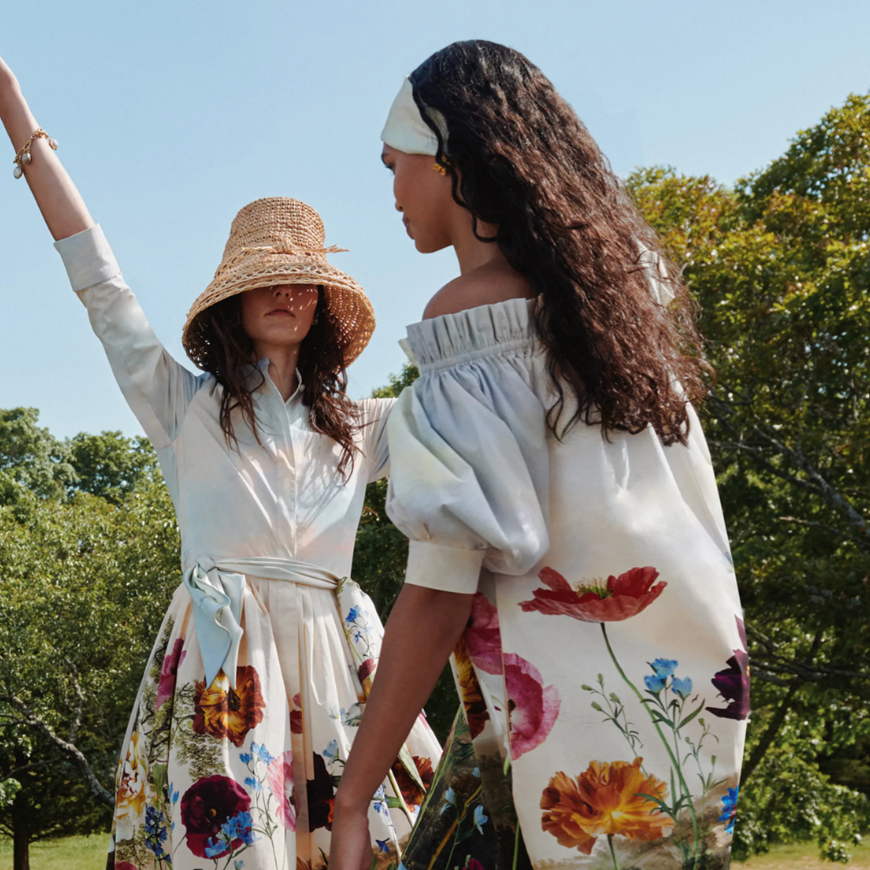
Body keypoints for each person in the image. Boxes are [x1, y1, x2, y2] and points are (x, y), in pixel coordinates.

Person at [0, 55, 440, 870]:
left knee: (384, 847)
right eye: (269, 281)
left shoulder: (366, 423)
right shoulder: (183, 406)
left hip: (338, 661)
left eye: (304, 283)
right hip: (222, 659)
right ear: (234, 299)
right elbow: (101, 288)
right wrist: (18, 120)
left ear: (323, 306)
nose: (288, 295)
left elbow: (480, 391)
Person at [329, 40, 747, 870]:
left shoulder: (471, 327)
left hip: (562, 757)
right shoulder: (619, 322)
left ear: (451, 156)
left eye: (394, 164)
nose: (392, 191)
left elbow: (441, 588)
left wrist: (351, 799)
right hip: (682, 707)